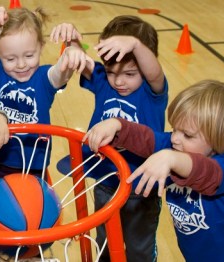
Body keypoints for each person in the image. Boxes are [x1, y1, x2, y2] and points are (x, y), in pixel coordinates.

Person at [83, 79, 224, 262]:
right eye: (175, 129)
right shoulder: (178, 146)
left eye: (187, 135)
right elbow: (148, 139)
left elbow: (209, 173)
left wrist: (171, 159)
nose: (175, 138)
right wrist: (117, 125)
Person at [51, 16, 168, 261]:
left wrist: (135, 44)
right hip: (106, 181)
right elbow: (79, 59)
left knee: (140, 249)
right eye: (112, 72)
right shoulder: (105, 82)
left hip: (141, 187)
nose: (119, 81)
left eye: (129, 73)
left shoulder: (152, 90)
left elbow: (154, 71)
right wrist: (72, 40)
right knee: (105, 244)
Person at [0, 6, 93, 185]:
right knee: (0, 210)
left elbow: (63, 71)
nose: (21, 64)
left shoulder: (45, 80)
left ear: (41, 47)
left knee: (35, 211)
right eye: (10, 59)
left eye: (29, 55)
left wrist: (72, 49)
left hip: (35, 165)